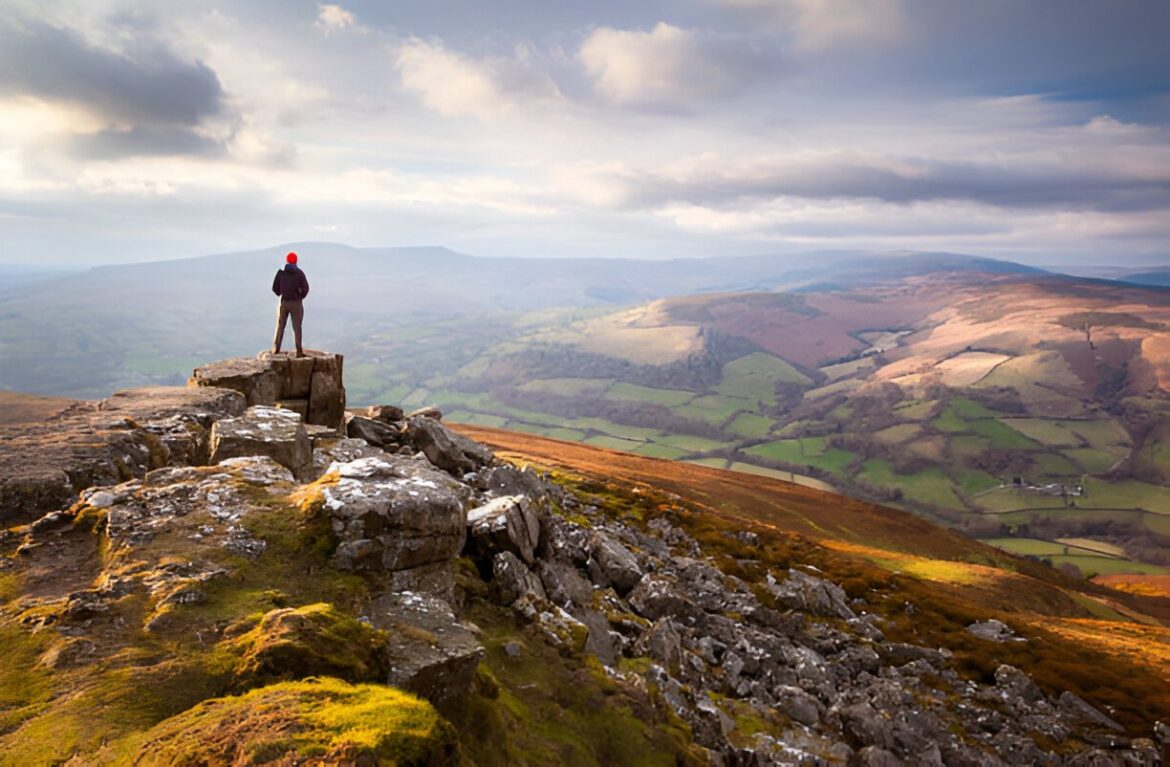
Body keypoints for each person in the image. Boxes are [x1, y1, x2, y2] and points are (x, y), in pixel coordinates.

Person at [272, 251, 310, 357]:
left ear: (287, 260)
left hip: (283, 302)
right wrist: (299, 296)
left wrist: (281, 293)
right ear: (296, 261)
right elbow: (306, 288)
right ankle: (299, 351)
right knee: (297, 327)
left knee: (280, 325)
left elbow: (275, 288)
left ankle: (276, 348)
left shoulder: (281, 273)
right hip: (296, 303)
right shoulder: (299, 273)